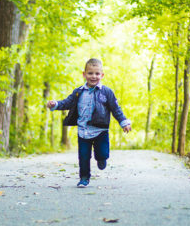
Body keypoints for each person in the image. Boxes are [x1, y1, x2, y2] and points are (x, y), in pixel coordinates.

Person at [47, 58, 132, 187]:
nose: (93, 76)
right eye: (90, 73)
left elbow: (116, 109)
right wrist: (55, 104)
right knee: (83, 157)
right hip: (83, 131)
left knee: (102, 154)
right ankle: (84, 178)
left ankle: (102, 159)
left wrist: (124, 122)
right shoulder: (78, 92)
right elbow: (67, 103)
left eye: (97, 73)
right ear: (84, 74)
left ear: (102, 75)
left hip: (101, 130)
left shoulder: (107, 92)